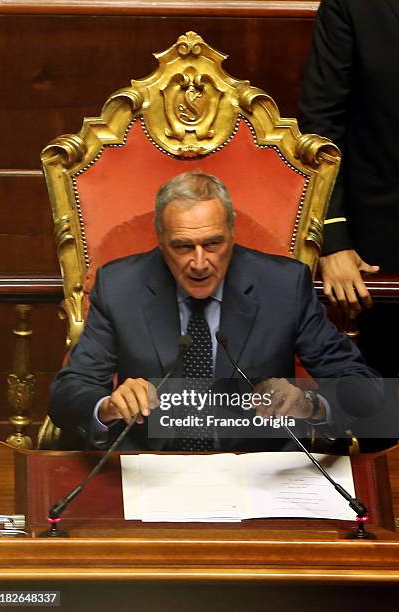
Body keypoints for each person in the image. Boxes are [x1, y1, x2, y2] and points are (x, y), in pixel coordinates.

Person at [49, 171, 381, 451]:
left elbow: (366, 391)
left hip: (256, 472)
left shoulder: (283, 286)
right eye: (182, 246)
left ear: (232, 237)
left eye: (212, 244)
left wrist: (308, 405)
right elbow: (68, 392)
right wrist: (107, 407)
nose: (199, 263)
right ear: (161, 242)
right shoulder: (120, 286)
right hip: (151, 470)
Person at [299, 0, 399, 377]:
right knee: (384, 411)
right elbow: (321, 126)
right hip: (382, 241)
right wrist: (333, 238)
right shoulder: (352, 6)